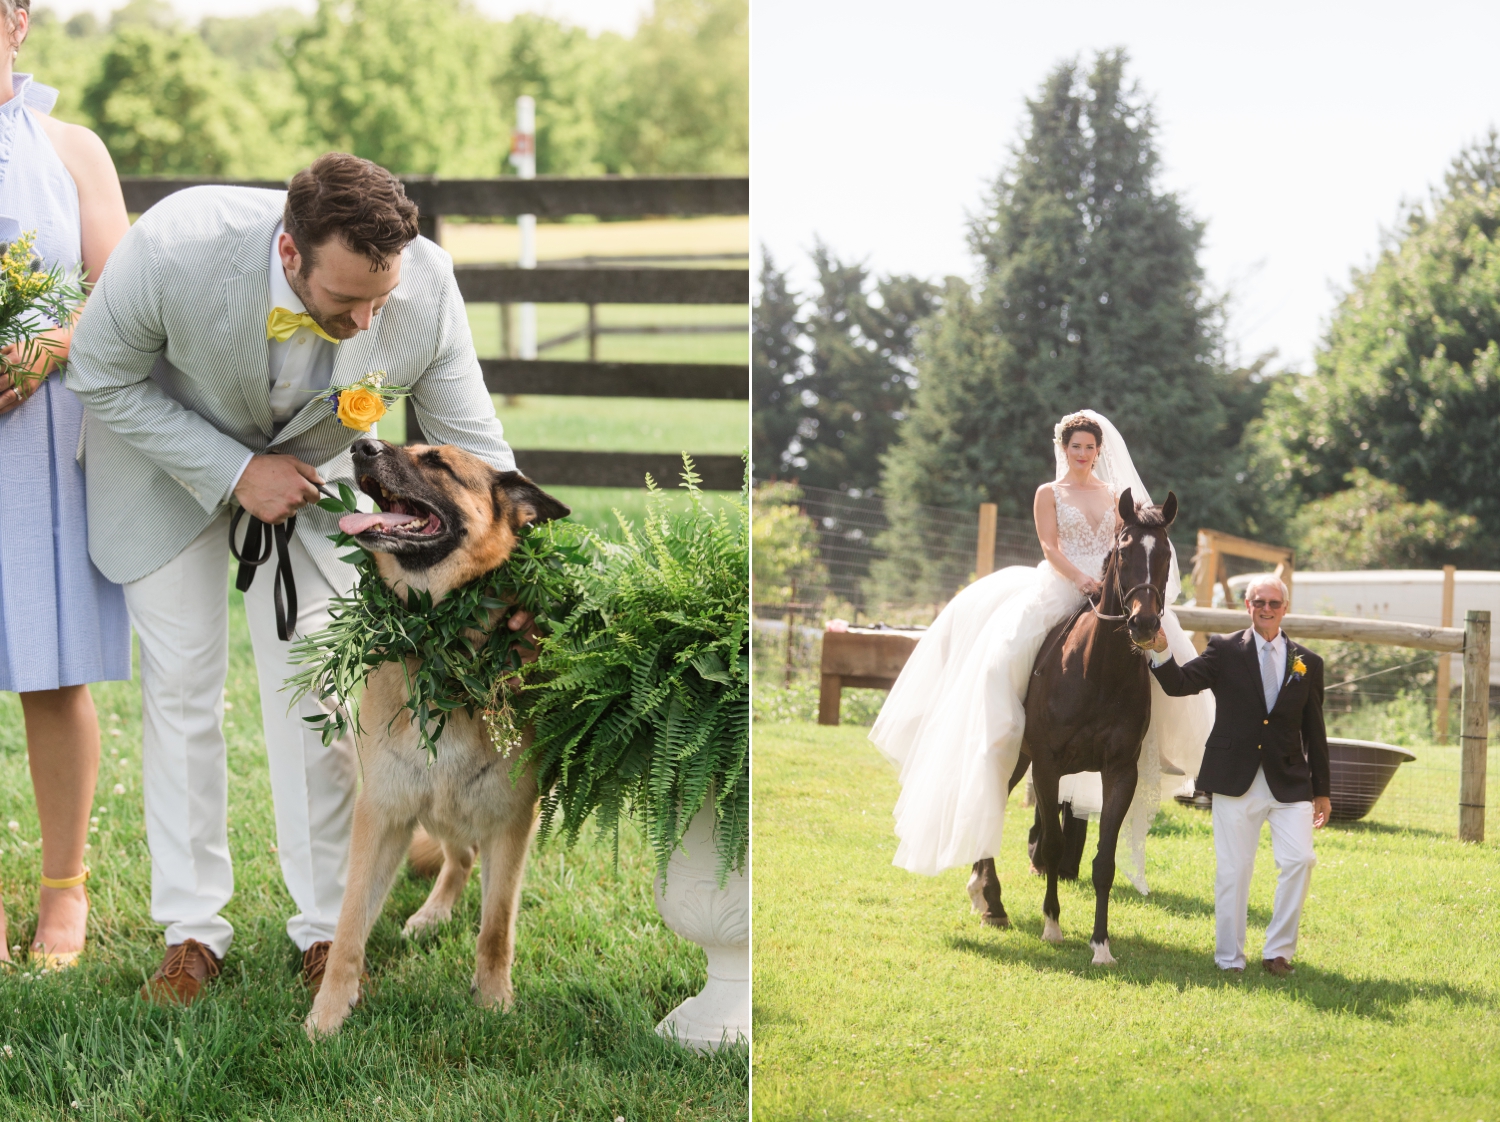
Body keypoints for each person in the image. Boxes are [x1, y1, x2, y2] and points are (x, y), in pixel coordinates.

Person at [66, 153, 522, 1004]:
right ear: (289, 255)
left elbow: (480, 450)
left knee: (322, 692)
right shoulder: (174, 247)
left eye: (379, 301)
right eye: (346, 302)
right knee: (183, 687)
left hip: (319, 488)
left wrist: (532, 579)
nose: (366, 320)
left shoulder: (424, 288)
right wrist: (234, 469)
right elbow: (99, 373)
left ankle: (325, 928)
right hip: (160, 466)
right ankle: (192, 932)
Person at [869, 410, 1213, 890]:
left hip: (1109, 595)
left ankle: (1149, 740)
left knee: (1162, 643)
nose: (1084, 454)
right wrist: (1081, 579)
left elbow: (1130, 545)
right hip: (1062, 586)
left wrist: (1114, 587)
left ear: (1099, 452)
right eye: (1076, 446)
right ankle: (1001, 727)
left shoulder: (1116, 497)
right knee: (1008, 652)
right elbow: (1050, 546)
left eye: (1091, 447)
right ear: (1064, 449)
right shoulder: (1048, 494)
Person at [0, 0, 132, 969]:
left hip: (40, 433)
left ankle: (63, 893)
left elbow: (120, 295)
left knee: (52, 672)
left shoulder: (75, 150)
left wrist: (49, 345)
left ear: (19, 21)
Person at [1147, 576, 1331, 975]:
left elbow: (1315, 732)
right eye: (1259, 601)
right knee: (1234, 869)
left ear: (1285, 608)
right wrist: (1161, 653)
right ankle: (1229, 958)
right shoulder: (1225, 649)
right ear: (1247, 606)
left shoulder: (1308, 663)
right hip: (1234, 777)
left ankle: (1278, 952)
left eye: (1274, 602)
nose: (1267, 608)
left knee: (1300, 859)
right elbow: (1180, 684)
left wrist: (1323, 791)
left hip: (1290, 782)